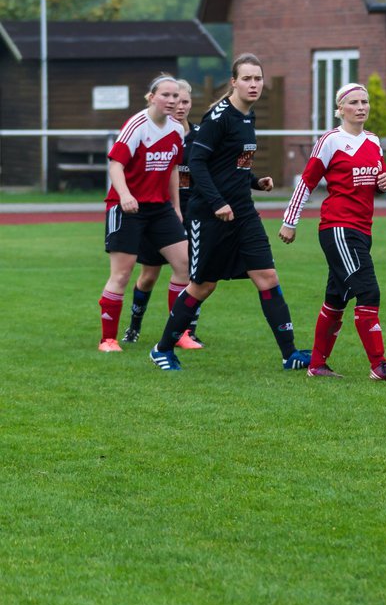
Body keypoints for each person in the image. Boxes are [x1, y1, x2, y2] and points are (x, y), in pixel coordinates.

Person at [147, 53, 310, 372]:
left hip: (244, 213)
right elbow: (196, 164)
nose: (254, 84)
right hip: (210, 216)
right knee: (203, 286)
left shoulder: (248, 116)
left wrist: (253, 181)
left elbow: (234, 161)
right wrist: (217, 202)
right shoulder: (219, 117)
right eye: (247, 78)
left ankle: (289, 354)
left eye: (258, 78)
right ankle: (162, 349)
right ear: (234, 82)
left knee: (267, 277)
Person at [280, 83, 386, 380]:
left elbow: (378, 178)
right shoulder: (330, 140)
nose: (361, 106)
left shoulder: (373, 141)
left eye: (365, 101)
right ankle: (379, 365)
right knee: (368, 290)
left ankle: (316, 365)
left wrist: (384, 184)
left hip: (363, 229)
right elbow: (307, 182)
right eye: (354, 102)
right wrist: (290, 220)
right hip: (338, 228)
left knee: (336, 298)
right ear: (340, 109)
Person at [96, 75, 191, 353]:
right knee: (122, 275)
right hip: (127, 208)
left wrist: (175, 206)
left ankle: (178, 333)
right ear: (151, 97)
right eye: (166, 95)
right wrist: (125, 195)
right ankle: (108, 340)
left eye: (176, 96)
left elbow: (173, 168)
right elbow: (115, 165)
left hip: (159, 208)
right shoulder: (137, 125)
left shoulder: (176, 129)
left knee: (184, 265)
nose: (172, 101)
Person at [122, 79, 204, 349]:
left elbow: (219, 168)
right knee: (149, 275)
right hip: (161, 209)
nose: (178, 105)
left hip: (194, 211)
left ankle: (184, 331)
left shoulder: (200, 135)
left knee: (192, 271)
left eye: (184, 101)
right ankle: (134, 325)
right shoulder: (160, 130)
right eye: (173, 100)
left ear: (190, 104)